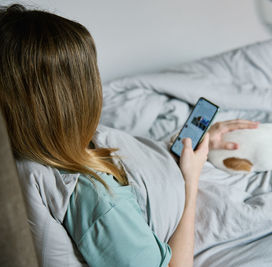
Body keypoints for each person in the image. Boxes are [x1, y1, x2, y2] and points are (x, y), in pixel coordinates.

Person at [0, 4, 258, 267]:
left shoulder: (27, 145)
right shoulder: (96, 200)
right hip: (183, 183)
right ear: (77, 98)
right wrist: (190, 179)